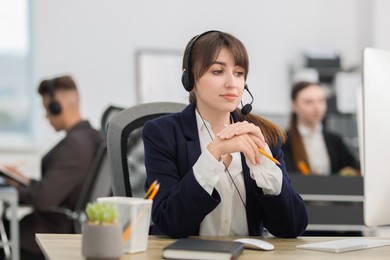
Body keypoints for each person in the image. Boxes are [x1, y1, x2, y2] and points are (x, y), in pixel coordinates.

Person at [142, 30, 308, 239]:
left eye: (239, 73)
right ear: (190, 79)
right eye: (218, 71)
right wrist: (213, 154)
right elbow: (169, 222)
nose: (232, 83)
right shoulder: (162, 133)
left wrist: (265, 164)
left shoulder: (263, 135)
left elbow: (293, 227)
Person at [2, 75, 102, 260]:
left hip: (48, 233)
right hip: (60, 225)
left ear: (57, 106)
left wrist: (14, 191)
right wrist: (23, 181)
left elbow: (44, 198)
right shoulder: (91, 137)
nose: (45, 115)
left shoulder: (74, 145)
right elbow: (58, 187)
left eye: (46, 108)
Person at [282, 81, 359, 176]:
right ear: (294, 105)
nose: (317, 107)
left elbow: (353, 169)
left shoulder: (336, 141)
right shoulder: (283, 142)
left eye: (321, 100)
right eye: (309, 102)